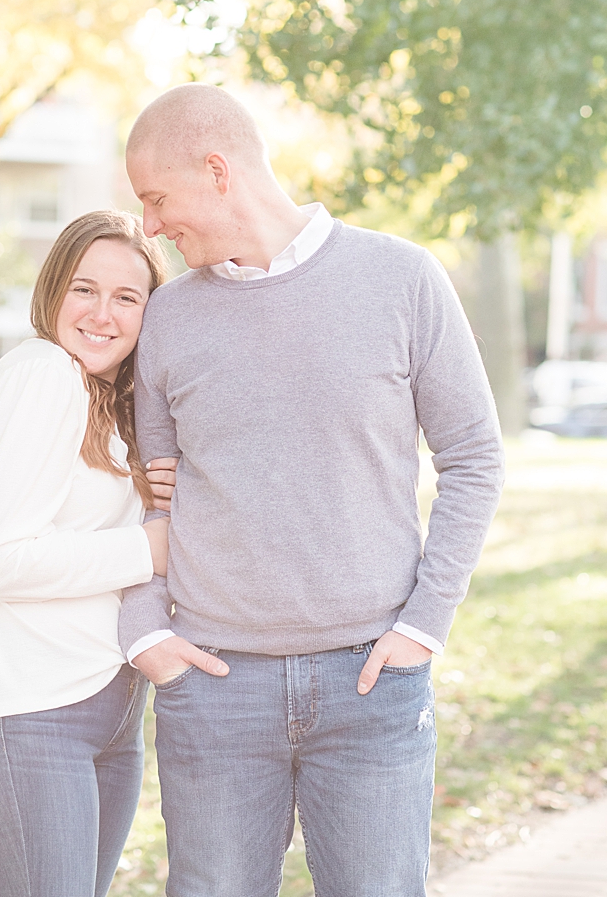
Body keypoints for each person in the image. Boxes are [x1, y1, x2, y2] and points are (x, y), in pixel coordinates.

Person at [119, 83, 505, 897]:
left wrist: (425, 625)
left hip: (372, 684)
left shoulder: (401, 278)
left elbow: (472, 454)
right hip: (214, 690)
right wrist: (146, 633)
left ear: (217, 169)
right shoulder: (170, 317)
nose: (149, 226)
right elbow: (145, 500)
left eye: (156, 199)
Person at [0, 210, 177, 897]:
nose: (103, 314)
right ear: (52, 292)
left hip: (103, 713)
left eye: (127, 297)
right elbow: (1, 560)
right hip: (25, 720)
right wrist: (147, 548)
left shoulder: (108, 399)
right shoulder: (42, 373)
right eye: (84, 289)